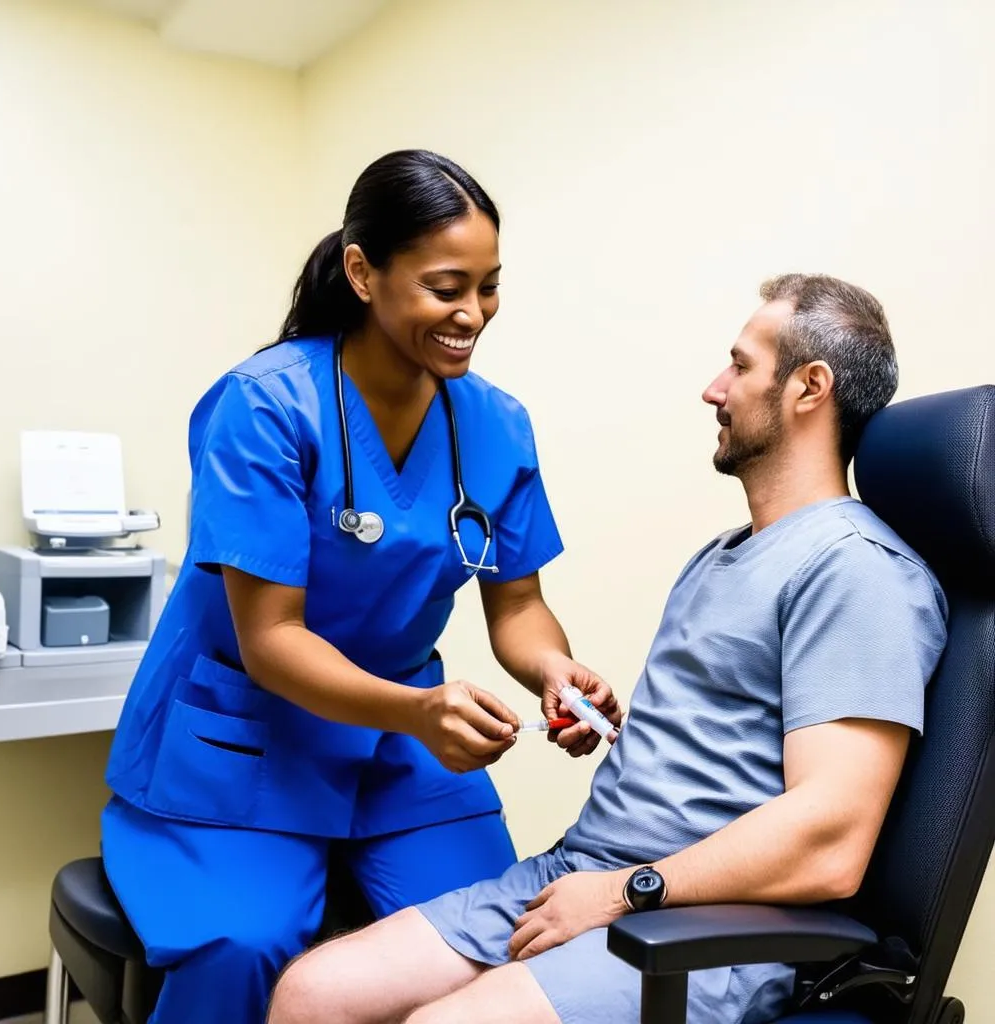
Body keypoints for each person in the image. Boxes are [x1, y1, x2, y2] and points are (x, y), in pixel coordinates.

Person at [267, 273, 950, 1024]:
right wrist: (592, 717)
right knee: (311, 995)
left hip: (708, 925)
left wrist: (627, 892)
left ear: (809, 387)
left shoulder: (857, 570)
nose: (714, 389)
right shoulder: (723, 556)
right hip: (585, 873)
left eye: (742, 365)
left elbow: (832, 837)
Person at [99, 149, 621, 1024]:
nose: (473, 314)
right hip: (248, 736)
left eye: (488, 287)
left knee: (503, 935)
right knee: (243, 949)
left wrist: (555, 673)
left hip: (403, 752)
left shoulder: (495, 423)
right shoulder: (266, 405)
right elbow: (272, 639)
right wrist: (420, 714)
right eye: (446, 286)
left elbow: (520, 606)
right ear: (361, 272)